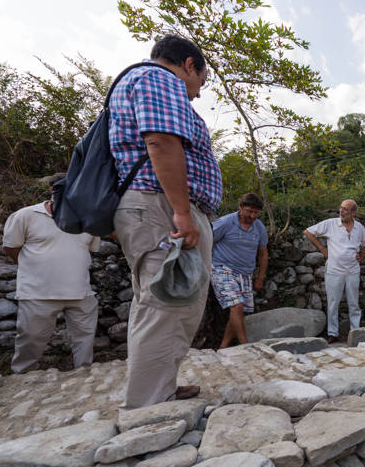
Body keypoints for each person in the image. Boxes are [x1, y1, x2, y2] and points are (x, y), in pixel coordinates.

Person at [109, 35, 221, 408]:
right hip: (163, 209)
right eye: (201, 81)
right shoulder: (160, 79)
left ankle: (160, 388)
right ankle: (148, 407)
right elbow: (160, 141)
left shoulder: (141, 80)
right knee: (166, 305)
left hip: (157, 208)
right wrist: (183, 212)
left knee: (166, 303)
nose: (198, 93)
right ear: (189, 64)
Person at [2, 176, 101, 374]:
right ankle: (21, 381)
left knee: (85, 339)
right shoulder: (25, 216)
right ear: (52, 192)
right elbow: (12, 248)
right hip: (37, 293)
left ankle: (84, 378)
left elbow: (87, 250)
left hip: (80, 292)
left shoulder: (89, 219)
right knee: (30, 341)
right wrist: (34, 269)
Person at [304, 199, 365, 343]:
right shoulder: (331, 224)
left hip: (353, 270)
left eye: (345, 209)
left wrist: (362, 256)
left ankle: (355, 331)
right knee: (333, 303)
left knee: (354, 303)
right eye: (341, 208)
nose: (341, 211)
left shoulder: (359, 227)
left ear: (353, 212)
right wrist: (322, 249)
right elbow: (308, 232)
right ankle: (333, 333)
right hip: (334, 271)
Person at [210, 193, 268, 348]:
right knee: (237, 306)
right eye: (249, 211)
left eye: (256, 213)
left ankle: (223, 347)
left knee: (238, 310)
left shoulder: (259, 227)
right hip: (222, 268)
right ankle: (245, 346)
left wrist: (260, 277)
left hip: (245, 274)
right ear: (240, 207)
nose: (253, 216)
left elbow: (263, 253)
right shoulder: (225, 223)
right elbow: (206, 240)